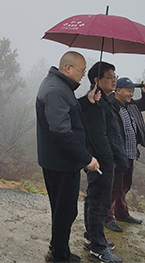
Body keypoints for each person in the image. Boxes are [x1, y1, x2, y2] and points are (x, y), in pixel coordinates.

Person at [36, 51, 100, 263]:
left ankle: (58, 249)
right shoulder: (56, 90)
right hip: (61, 163)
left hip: (60, 161)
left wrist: (86, 101)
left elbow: (67, 111)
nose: (83, 75)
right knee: (65, 211)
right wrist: (87, 158)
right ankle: (59, 256)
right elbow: (61, 131)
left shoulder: (59, 86)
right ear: (68, 68)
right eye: (82, 70)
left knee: (62, 210)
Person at [79, 62, 128, 263]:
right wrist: (108, 161)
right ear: (96, 80)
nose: (114, 80)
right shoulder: (95, 103)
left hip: (103, 161)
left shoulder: (103, 100)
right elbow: (98, 136)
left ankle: (92, 237)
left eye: (115, 76)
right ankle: (98, 248)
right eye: (110, 77)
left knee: (94, 198)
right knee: (100, 203)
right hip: (101, 162)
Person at [104, 77, 145, 232]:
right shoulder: (110, 105)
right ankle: (106, 216)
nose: (131, 93)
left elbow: (144, 104)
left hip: (130, 153)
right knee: (114, 187)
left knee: (125, 185)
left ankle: (121, 212)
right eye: (128, 90)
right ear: (118, 90)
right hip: (117, 154)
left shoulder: (130, 105)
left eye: (133, 90)